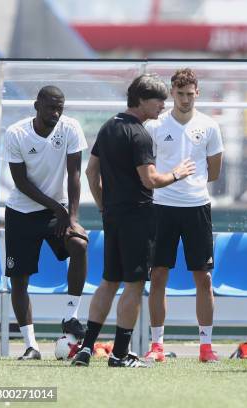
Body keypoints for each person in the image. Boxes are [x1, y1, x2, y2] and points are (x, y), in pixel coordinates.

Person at [72, 74, 194, 368]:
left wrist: (104, 206)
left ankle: (86, 349)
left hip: (113, 216)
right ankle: (119, 354)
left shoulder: (108, 126)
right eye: (159, 100)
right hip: (138, 217)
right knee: (134, 285)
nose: (163, 106)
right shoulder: (139, 134)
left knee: (108, 282)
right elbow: (150, 180)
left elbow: (91, 173)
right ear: (141, 100)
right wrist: (177, 174)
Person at [144, 68, 223, 363]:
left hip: (197, 207)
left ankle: (206, 346)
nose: (186, 99)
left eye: (191, 94)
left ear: (197, 93)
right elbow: (148, 168)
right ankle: (157, 345)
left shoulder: (210, 126)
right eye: (180, 94)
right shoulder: (155, 125)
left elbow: (214, 171)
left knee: (203, 277)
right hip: (161, 206)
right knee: (158, 274)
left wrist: (192, 183)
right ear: (172, 93)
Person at [4, 85, 89, 360]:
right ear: (36, 105)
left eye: (60, 107)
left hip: (57, 213)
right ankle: (31, 346)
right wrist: (57, 207)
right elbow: (20, 182)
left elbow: (74, 174)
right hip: (22, 212)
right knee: (19, 280)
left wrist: (71, 217)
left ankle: (70, 317)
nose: (55, 112)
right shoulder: (16, 133)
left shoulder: (70, 128)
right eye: (51, 107)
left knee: (79, 244)